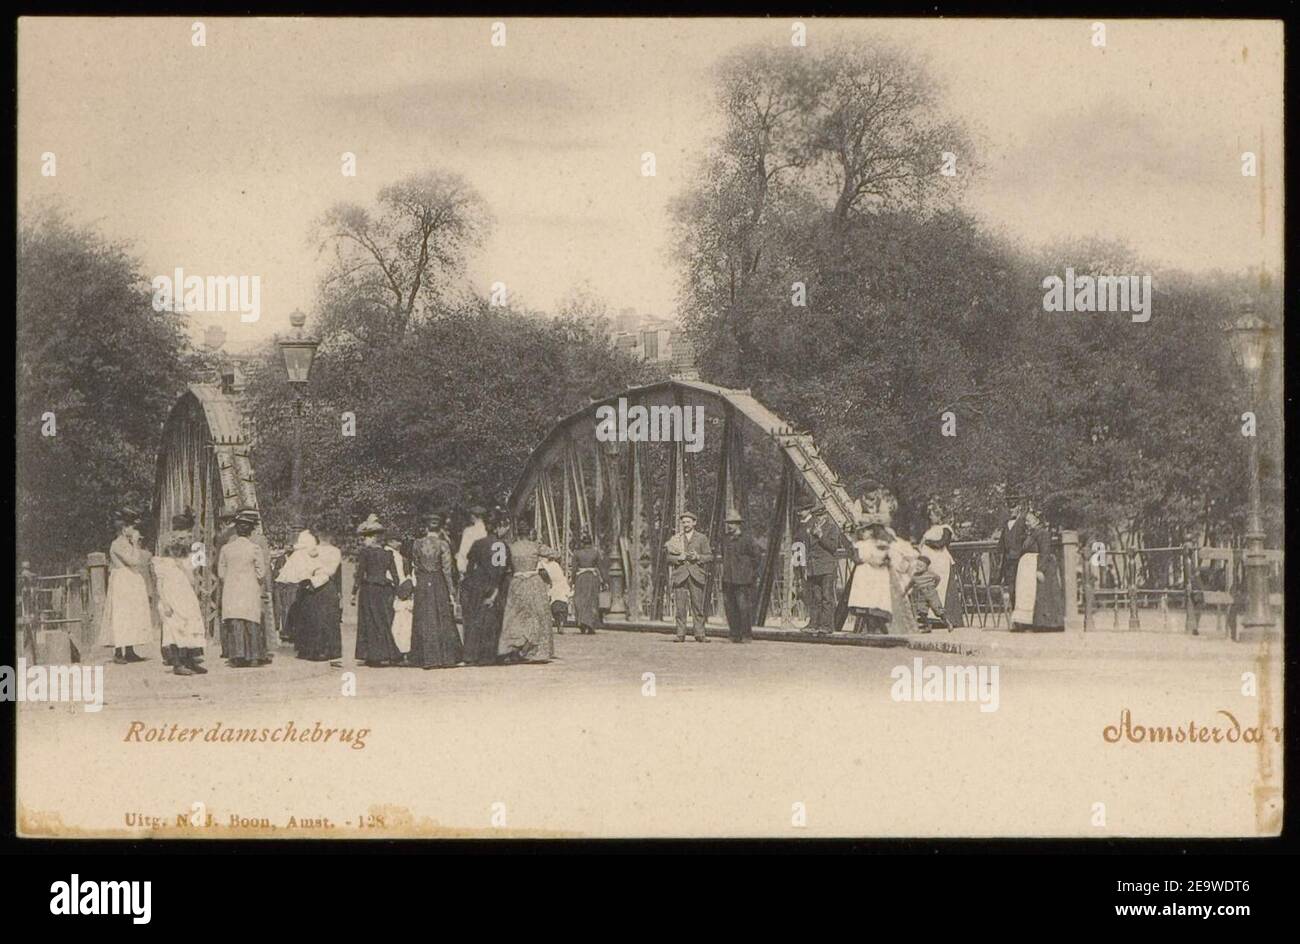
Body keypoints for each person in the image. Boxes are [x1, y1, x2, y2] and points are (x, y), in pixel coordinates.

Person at [498, 520, 559, 664]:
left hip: (517, 582)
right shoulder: (535, 546)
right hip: (534, 583)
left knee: (515, 615)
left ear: (518, 533)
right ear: (529, 533)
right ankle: (535, 650)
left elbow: (502, 564)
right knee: (537, 615)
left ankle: (513, 647)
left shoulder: (511, 547)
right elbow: (556, 554)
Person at [99, 510, 154, 664]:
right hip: (122, 580)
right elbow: (135, 561)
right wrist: (136, 544)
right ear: (124, 529)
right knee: (121, 614)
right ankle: (118, 652)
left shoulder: (126, 543)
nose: (134, 531)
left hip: (130, 580)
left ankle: (129, 650)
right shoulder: (117, 544)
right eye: (131, 528)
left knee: (131, 614)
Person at [410, 512, 462, 669]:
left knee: (424, 617)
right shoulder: (443, 545)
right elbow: (447, 569)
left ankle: (424, 658)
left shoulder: (417, 544)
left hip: (423, 582)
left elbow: (416, 565)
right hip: (438, 581)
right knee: (441, 617)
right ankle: (446, 657)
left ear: (426, 527)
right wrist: (452, 591)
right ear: (439, 528)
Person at [152, 529, 208, 675]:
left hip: (186, 597)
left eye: (185, 540)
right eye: (179, 540)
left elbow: (192, 580)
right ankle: (177, 664)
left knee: (191, 626)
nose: (181, 544)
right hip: (172, 598)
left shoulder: (187, 561)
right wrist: (164, 602)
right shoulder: (162, 562)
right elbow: (160, 584)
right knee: (174, 629)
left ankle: (190, 661)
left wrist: (184, 567)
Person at [218, 509, 269, 667]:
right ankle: (254, 656)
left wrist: (231, 580)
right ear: (251, 530)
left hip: (232, 589)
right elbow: (261, 573)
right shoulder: (255, 549)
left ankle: (237, 656)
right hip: (249, 587)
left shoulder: (226, 549)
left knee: (235, 619)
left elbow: (221, 572)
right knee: (251, 620)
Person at [352, 514, 402, 667]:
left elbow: (360, 573)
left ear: (373, 537)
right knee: (383, 621)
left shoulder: (365, 553)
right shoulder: (388, 554)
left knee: (369, 621)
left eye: (366, 537)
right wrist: (397, 592)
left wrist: (354, 593)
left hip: (369, 590)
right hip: (384, 590)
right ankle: (387, 653)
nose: (364, 540)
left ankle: (372, 655)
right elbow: (395, 576)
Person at [462, 514, 511, 665]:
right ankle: (489, 654)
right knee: (493, 620)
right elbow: (506, 568)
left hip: (479, 582)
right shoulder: (503, 545)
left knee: (475, 619)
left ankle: (472, 654)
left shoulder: (478, 543)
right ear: (497, 528)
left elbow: (470, 565)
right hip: (497, 583)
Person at [293, 525, 343, 663]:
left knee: (314, 617)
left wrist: (313, 576)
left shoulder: (311, 550)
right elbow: (332, 570)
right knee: (322, 618)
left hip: (315, 584)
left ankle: (312, 650)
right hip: (324, 585)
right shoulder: (334, 551)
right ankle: (324, 650)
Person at [1011, 510, 1065, 631]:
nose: (1027, 523)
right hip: (1029, 569)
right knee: (1031, 595)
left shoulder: (1043, 533)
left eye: (1029, 520)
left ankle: (1047, 624)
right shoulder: (1031, 534)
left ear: (1037, 520)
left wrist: (1040, 569)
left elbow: (1045, 551)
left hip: (1040, 567)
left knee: (1043, 595)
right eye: (1026, 521)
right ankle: (1031, 622)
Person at [795, 499, 841, 635]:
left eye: (821, 516)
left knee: (827, 597)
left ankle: (826, 626)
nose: (819, 519)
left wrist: (821, 536)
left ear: (826, 515)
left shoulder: (832, 528)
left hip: (826, 567)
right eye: (817, 516)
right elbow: (806, 548)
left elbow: (833, 547)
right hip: (813, 568)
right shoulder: (810, 529)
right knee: (815, 598)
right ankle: (814, 624)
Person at [666, 510, 712, 642]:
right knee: (680, 607)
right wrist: (678, 559)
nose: (685, 524)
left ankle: (700, 634)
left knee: (697, 606)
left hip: (696, 574)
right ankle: (680, 634)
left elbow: (709, 556)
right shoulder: (676, 539)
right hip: (680, 575)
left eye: (688, 522)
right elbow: (668, 558)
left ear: (694, 523)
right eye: (683, 522)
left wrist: (698, 557)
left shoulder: (702, 538)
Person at [719, 511, 762, 643]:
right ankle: (734, 634)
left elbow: (757, 557)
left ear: (738, 524)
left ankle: (746, 635)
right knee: (730, 608)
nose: (730, 526)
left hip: (743, 579)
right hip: (728, 578)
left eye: (732, 523)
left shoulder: (747, 539)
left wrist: (749, 572)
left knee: (743, 608)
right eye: (728, 523)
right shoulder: (725, 539)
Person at [845, 522, 894, 634]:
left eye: (865, 531)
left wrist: (878, 561)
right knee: (862, 599)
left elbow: (885, 558)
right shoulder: (859, 544)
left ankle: (874, 627)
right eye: (861, 531)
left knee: (872, 598)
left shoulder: (878, 543)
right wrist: (865, 559)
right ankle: (862, 628)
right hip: (863, 572)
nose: (863, 533)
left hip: (874, 574)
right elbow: (856, 558)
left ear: (871, 531)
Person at [276, 530, 318, 645]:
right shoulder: (303, 556)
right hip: (298, 586)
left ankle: (294, 632)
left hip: (296, 585)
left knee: (295, 610)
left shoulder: (297, 556)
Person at [920, 520, 963, 628]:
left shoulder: (946, 528)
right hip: (932, 564)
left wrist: (927, 542)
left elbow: (941, 543)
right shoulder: (929, 530)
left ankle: (949, 619)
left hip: (942, 563)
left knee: (944, 589)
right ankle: (931, 618)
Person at [570, 529, 605, 634]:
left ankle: (582, 622)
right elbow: (600, 567)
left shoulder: (577, 554)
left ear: (582, 543)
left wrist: (572, 581)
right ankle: (591, 624)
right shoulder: (595, 553)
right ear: (591, 542)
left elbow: (574, 569)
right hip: (592, 578)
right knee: (592, 601)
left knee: (580, 600)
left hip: (581, 578)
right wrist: (603, 580)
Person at [996, 501, 1028, 606]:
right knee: (1011, 586)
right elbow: (1001, 543)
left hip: (1020, 559)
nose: (1011, 510)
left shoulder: (1023, 522)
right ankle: (1014, 610)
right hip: (1008, 560)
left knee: (1021, 586)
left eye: (1013, 507)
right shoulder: (1006, 524)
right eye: (1009, 507)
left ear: (1019, 507)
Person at [909, 555, 953, 632]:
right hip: (921, 594)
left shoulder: (930, 574)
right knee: (921, 611)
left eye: (921, 566)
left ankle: (947, 622)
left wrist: (934, 586)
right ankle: (927, 626)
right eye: (917, 565)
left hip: (931, 593)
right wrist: (905, 591)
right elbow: (910, 584)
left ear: (926, 567)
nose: (918, 567)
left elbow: (938, 578)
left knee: (938, 609)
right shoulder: (915, 576)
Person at [388, 535, 415, 662]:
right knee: (402, 626)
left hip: (402, 594)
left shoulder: (401, 558)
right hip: (401, 592)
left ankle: (400, 652)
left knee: (400, 626)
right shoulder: (393, 556)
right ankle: (401, 652)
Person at [539, 554, 571, 635]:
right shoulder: (555, 565)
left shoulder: (542, 564)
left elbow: (544, 575)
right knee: (561, 604)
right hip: (560, 586)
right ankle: (561, 623)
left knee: (554, 607)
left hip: (552, 586)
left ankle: (558, 623)